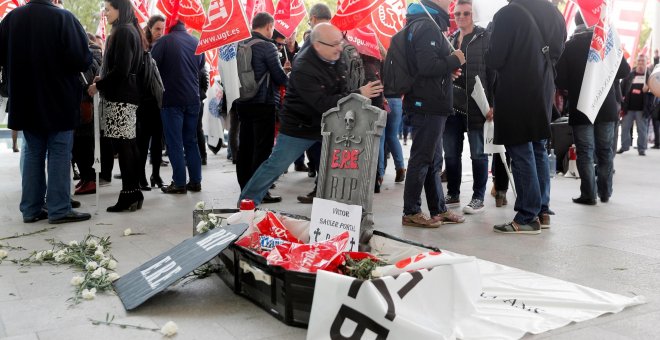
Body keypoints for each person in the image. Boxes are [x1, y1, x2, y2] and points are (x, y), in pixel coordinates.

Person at [238, 23, 383, 205]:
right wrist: (359, 94)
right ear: (317, 45)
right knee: (274, 166)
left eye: (340, 42)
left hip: (327, 125)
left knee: (337, 169)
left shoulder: (336, 57)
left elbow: (342, 88)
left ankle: (333, 207)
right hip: (299, 126)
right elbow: (322, 103)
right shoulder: (304, 67)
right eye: (334, 44)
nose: (339, 47)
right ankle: (246, 203)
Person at [1, 0, 92, 223]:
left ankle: (31, 209)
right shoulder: (63, 18)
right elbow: (82, 59)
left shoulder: (12, 19)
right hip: (58, 99)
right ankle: (59, 209)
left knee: (32, 151)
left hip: (25, 99)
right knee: (59, 151)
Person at [486, 0, 566, 234]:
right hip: (542, 86)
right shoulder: (554, 12)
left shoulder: (507, 14)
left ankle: (527, 216)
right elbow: (559, 51)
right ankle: (542, 209)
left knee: (520, 150)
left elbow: (495, 58)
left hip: (515, 88)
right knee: (538, 146)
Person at [400, 0, 466, 228]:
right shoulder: (426, 25)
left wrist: (448, 69)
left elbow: (429, 66)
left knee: (432, 159)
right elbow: (427, 66)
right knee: (422, 158)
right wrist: (454, 60)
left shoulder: (427, 23)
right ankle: (411, 211)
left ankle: (438, 208)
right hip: (426, 103)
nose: (450, 2)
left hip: (429, 101)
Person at [555, 13, 630, 205]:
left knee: (585, 152)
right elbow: (624, 71)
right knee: (605, 151)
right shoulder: (606, 43)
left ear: (577, 23)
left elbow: (560, 79)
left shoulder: (569, 46)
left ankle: (589, 195)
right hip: (606, 107)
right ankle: (605, 192)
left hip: (582, 108)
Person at [88, 0, 148, 212]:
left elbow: (121, 69)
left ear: (119, 9)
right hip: (128, 95)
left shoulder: (122, 31)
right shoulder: (130, 30)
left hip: (121, 96)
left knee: (125, 146)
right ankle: (133, 192)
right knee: (128, 144)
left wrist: (99, 85)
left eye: (107, 9)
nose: (105, 13)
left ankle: (129, 193)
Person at [443, 0, 494, 215]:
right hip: (452, 105)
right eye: (457, 14)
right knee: (451, 154)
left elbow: (495, 73)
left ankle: (478, 197)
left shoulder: (485, 37)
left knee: (478, 154)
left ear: (474, 15)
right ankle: (453, 192)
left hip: (476, 103)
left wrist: (493, 103)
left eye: (466, 13)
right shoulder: (449, 40)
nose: (461, 17)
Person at [234, 13, 289, 203]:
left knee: (246, 147)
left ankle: (245, 189)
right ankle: (258, 192)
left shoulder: (241, 44)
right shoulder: (268, 47)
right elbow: (280, 78)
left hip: (243, 102)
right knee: (263, 149)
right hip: (263, 103)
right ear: (268, 27)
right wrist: (288, 75)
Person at [151, 20, 206, 193]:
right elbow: (201, 66)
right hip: (193, 98)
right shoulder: (196, 41)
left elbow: (152, 67)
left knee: (174, 142)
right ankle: (195, 182)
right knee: (191, 141)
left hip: (171, 98)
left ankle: (179, 183)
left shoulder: (164, 42)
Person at [137, 14, 166, 189]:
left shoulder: (163, 45)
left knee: (157, 142)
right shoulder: (143, 46)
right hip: (144, 101)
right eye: (157, 29)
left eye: (162, 29)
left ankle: (156, 174)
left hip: (159, 101)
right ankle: (141, 176)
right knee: (142, 141)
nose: (160, 32)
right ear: (149, 28)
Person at [73, 33, 104, 196]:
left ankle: (89, 179)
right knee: (84, 144)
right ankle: (87, 178)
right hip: (88, 105)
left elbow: (84, 82)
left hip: (83, 104)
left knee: (80, 145)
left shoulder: (85, 60)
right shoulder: (94, 56)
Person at [619, 54, 651, 156]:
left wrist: (648, 90)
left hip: (642, 108)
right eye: (639, 61)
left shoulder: (649, 76)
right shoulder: (630, 75)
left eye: (643, 61)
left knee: (642, 130)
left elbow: (656, 92)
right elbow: (621, 87)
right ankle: (624, 147)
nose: (641, 63)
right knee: (624, 127)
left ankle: (642, 149)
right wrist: (621, 101)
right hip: (628, 107)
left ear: (646, 63)